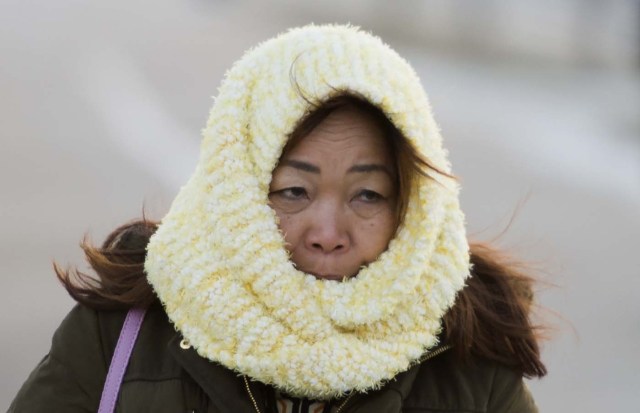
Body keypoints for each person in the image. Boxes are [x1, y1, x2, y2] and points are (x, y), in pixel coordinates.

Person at [9, 24, 546, 413]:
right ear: (236, 193)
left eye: (368, 195)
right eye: (293, 191)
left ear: (412, 207)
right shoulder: (121, 330)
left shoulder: (471, 365)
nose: (328, 234)